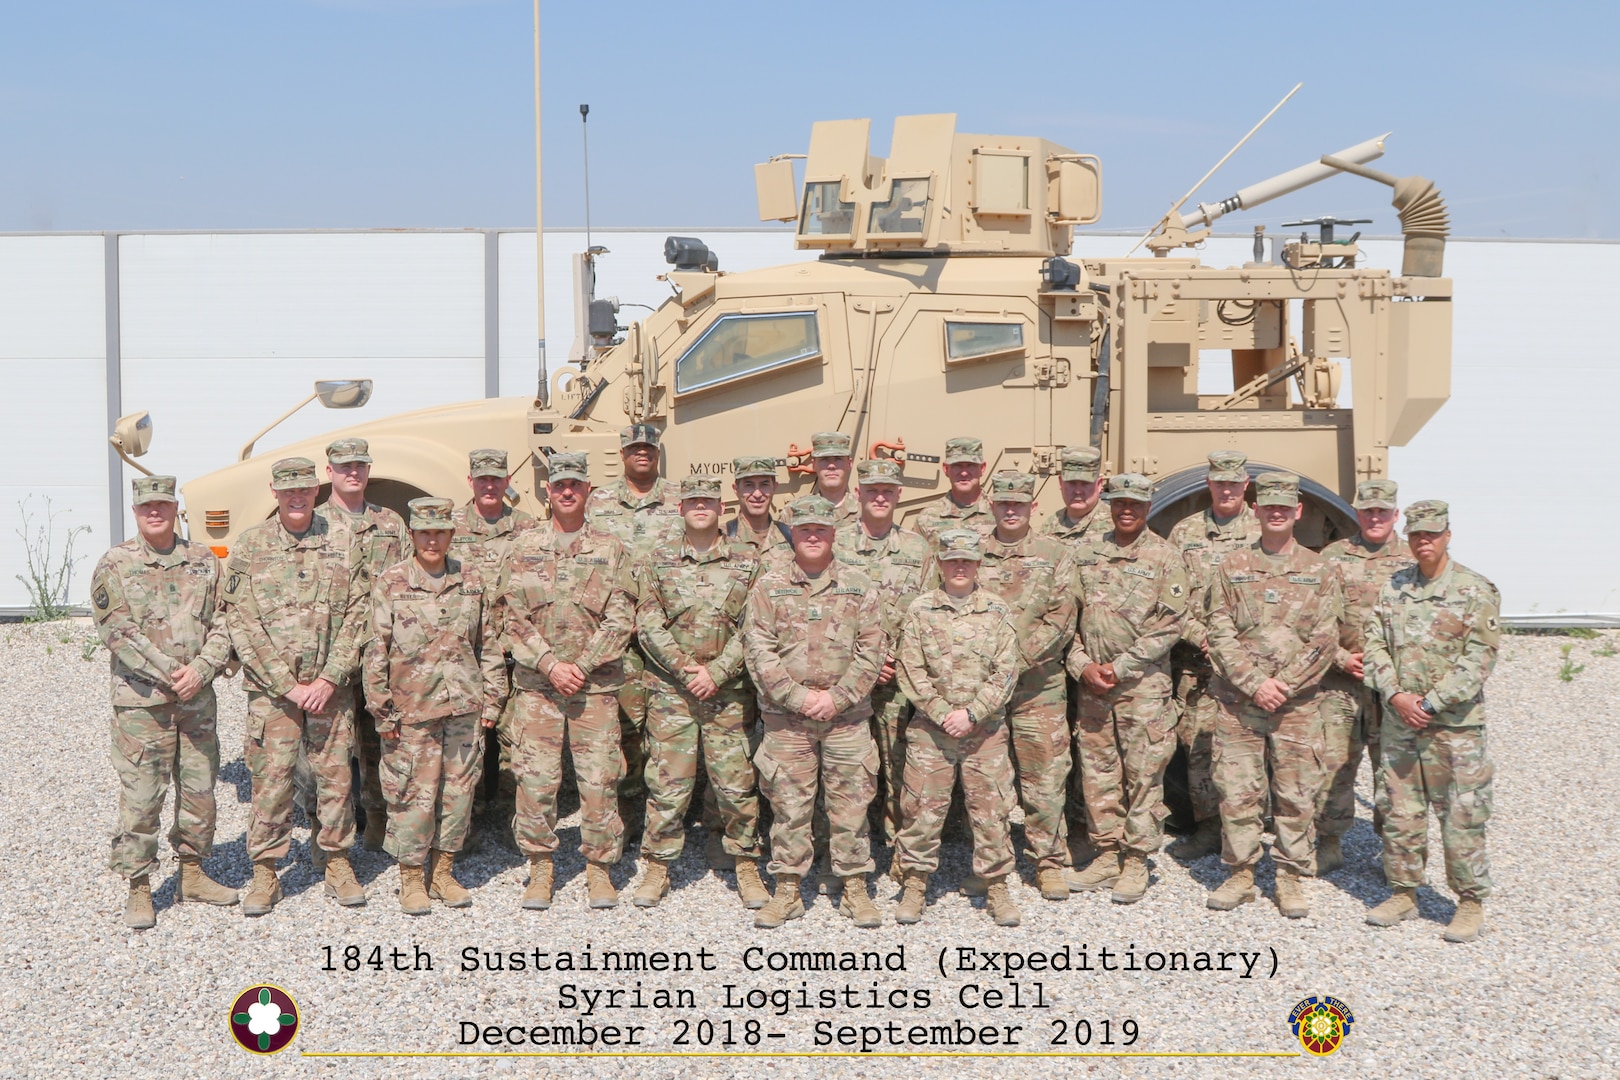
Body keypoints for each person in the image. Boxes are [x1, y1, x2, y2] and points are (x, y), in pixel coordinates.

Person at [221, 457, 368, 915]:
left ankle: (337, 862)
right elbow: (239, 623)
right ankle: (266, 873)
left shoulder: (343, 540)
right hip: (274, 695)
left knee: (336, 778)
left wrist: (329, 677)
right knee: (271, 781)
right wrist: (287, 685)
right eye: (289, 492)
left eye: (305, 489)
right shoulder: (252, 545)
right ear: (275, 493)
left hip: (331, 689)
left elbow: (361, 612)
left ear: (317, 489)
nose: (298, 498)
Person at [92, 475, 237, 929]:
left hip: (196, 699)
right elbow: (116, 630)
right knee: (141, 796)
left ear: (175, 507)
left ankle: (192, 874)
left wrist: (202, 669)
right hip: (142, 703)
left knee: (200, 790)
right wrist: (171, 673)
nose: (154, 512)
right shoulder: (114, 564)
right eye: (145, 506)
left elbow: (226, 621)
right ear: (135, 511)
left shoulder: (203, 561)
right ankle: (138, 886)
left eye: (162, 504)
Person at [500, 451, 637, 911]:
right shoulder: (522, 546)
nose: (566, 491)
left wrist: (581, 665)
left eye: (575, 484)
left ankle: (599, 870)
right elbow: (511, 616)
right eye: (559, 484)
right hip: (539, 688)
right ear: (547, 492)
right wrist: (549, 664)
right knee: (536, 781)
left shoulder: (611, 547)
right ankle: (541, 867)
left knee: (598, 781)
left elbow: (621, 617)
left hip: (593, 688)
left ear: (588, 491)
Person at [1204, 473, 1341, 919]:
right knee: (1237, 790)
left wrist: (1283, 685)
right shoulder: (1232, 565)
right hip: (1239, 701)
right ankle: (1241, 873)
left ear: (1298, 512)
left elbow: (1325, 638)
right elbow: (1218, 630)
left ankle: (1290, 876)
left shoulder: (1320, 569)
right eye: (1269, 506)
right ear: (1257, 511)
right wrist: (1254, 682)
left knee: (1295, 793)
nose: (1277, 512)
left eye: (1286, 506)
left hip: (1296, 706)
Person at [744, 495, 885, 929]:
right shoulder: (769, 586)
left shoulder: (860, 585)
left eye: (819, 530)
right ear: (793, 534)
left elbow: (872, 650)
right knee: (789, 807)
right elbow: (758, 650)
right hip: (788, 719)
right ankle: (788, 889)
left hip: (847, 718)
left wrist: (837, 698)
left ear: (833, 534)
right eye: (803, 529)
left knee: (851, 807)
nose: (811, 536)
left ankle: (855, 887)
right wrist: (797, 698)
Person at [1363, 500, 1500, 943]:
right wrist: (1398, 696)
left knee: (1462, 815)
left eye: (1432, 534)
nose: (1424, 541)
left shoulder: (1476, 590)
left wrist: (1432, 702)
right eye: (1417, 534)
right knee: (1401, 811)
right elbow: (1375, 646)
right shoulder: (1394, 588)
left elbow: (1480, 657)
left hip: (1454, 727)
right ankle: (1405, 891)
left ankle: (1469, 902)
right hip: (1401, 723)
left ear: (1447, 535)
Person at [363, 497, 506, 915]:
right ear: (412, 535)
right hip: (412, 712)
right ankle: (411, 878)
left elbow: (489, 643)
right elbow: (376, 649)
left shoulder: (471, 579)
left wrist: (492, 701)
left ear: (450, 535)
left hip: (464, 707)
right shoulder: (392, 581)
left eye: (439, 532)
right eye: (424, 532)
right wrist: (382, 710)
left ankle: (443, 873)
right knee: (412, 793)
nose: (432, 540)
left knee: (459, 793)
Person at [632, 478, 768, 911]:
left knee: (735, 783)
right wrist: (686, 669)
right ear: (681, 508)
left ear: (721, 506)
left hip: (728, 692)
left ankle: (745, 863)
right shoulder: (658, 561)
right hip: (673, 692)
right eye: (693, 502)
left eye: (708, 502)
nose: (701, 508)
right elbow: (647, 622)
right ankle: (657, 865)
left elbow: (756, 626)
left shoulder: (748, 562)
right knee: (668, 784)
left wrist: (719, 671)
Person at [1064, 474, 1189, 903]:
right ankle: (1105, 854)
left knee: (1143, 776)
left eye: (1135, 502)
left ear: (1148, 505)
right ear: (1110, 505)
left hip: (1143, 689)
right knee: (1098, 775)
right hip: (1094, 688)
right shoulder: (1086, 553)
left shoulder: (1166, 558)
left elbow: (1169, 624)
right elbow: (1066, 616)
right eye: (1119, 502)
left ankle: (1136, 860)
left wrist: (1117, 667)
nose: (1126, 509)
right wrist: (1081, 665)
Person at [891, 529, 1023, 926]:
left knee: (991, 811)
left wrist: (972, 713)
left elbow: (1007, 669)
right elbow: (909, 668)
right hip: (932, 731)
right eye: (952, 561)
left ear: (978, 565)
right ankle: (915, 884)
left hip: (984, 731)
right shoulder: (920, 610)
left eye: (967, 560)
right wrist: (941, 711)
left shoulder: (997, 610)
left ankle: (996, 885)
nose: (960, 567)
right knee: (922, 810)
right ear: (941, 565)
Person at [969, 471, 1078, 900]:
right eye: (1003, 502)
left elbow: (1061, 617)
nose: (1011, 509)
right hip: (983, 690)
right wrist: (987, 670)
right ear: (991, 505)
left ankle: (1048, 862)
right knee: (987, 780)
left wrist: (1010, 663)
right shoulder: (973, 551)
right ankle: (991, 864)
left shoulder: (1055, 553)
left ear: (1033, 506)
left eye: (1019, 503)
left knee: (1044, 776)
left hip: (1038, 687)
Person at [313, 436, 410, 852]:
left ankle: (378, 824)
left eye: (360, 465)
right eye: (345, 466)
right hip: (329, 655)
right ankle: (325, 836)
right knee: (325, 751)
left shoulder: (390, 523)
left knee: (379, 742)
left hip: (381, 654)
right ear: (329, 471)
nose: (353, 472)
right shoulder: (312, 524)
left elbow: (409, 583)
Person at [1314, 479, 1414, 874]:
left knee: (1393, 767)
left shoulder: (1412, 560)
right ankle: (1329, 841)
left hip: (1393, 687)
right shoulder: (1333, 557)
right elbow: (1315, 619)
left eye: (1382, 511)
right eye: (1367, 510)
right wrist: (1339, 658)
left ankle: (1393, 850)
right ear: (1357, 513)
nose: (1375, 517)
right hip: (1343, 682)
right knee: (1335, 763)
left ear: (1395, 514)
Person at [587, 424, 685, 825]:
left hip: (669, 633)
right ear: (623, 453)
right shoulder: (600, 500)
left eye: (648, 447)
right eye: (634, 448)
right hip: (620, 635)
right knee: (625, 728)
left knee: (669, 729)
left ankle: (670, 815)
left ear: (657, 452)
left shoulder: (680, 499)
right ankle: (625, 812)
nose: (641, 453)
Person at [1167, 450, 1261, 858]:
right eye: (1219, 482)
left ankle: (1249, 830)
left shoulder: (1264, 532)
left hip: (1249, 667)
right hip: (1198, 664)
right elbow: (1172, 597)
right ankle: (1208, 828)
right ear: (1209, 484)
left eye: (1233, 483)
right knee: (1199, 748)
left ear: (1245, 486)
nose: (1226, 489)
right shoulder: (1185, 534)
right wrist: (1198, 633)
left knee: (1248, 749)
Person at [834, 458, 931, 844]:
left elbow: (927, 615)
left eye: (887, 491)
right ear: (858, 493)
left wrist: (892, 661)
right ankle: (847, 845)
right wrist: (865, 663)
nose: (879, 497)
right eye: (871, 490)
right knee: (847, 768)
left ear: (898, 495)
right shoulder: (835, 543)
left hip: (896, 679)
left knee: (897, 764)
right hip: (845, 677)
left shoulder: (917, 548)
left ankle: (896, 845)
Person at [451, 448, 536, 823]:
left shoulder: (528, 527)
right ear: (470, 481)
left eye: (496, 478)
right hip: (463, 653)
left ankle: (507, 818)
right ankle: (464, 820)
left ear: (507, 482)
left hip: (511, 648)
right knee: (463, 741)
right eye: (482, 478)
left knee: (512, 738)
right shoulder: (448, 526)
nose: (489, 485)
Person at [913, 436, 994, 543]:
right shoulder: (928, 517)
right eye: (957, 466)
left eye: (971, 466)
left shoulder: (999, 513)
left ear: (982, 468)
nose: (964, 472)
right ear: (946, 469)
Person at [1037, 446, 1109, 547]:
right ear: (1060, 483)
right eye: (1071, 483)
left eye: (1085, 483)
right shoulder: (1050, 526)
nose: (1078, 491)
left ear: (1099, 484)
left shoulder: (1114, 526)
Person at [726, 454, 792, 563]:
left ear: (775, 487)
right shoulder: (721, 537)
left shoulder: (791, 537)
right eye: (749, 485)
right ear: (736, 489)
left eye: (764, 485)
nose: (757, 494)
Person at [802, 432, 860, 526]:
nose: (831, 466)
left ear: (849, 464)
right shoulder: (796, 511)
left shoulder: (865, 512)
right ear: (813, 465)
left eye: (838, 459)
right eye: (824, 459)